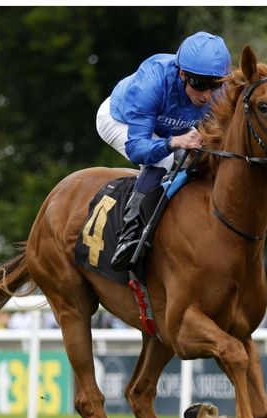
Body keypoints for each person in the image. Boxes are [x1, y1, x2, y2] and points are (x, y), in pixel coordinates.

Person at [96, 31, 232, 271]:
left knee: (202, 161)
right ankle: (130, 234)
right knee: (164, 159)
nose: (208, 95)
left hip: (167, 123)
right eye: (201, 85)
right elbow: (137, 149)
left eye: (216, 86)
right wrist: (173, 142)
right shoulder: (151, 84)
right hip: (119, 118)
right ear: (182, 74)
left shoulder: (216, 89)